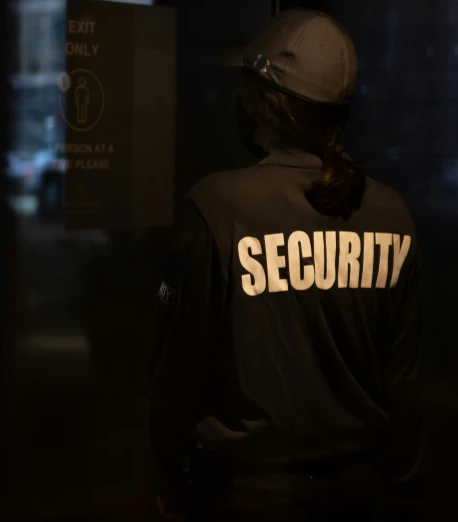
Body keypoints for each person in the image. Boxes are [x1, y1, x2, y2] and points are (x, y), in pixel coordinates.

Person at [149, 9, 425, 522]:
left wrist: (168, 473)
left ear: (262, 102)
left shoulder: (213, 205)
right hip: (363, 494)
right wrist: (405, 491)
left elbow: (176, 362)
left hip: (244, 496)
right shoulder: (394, 215)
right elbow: (404, 382)